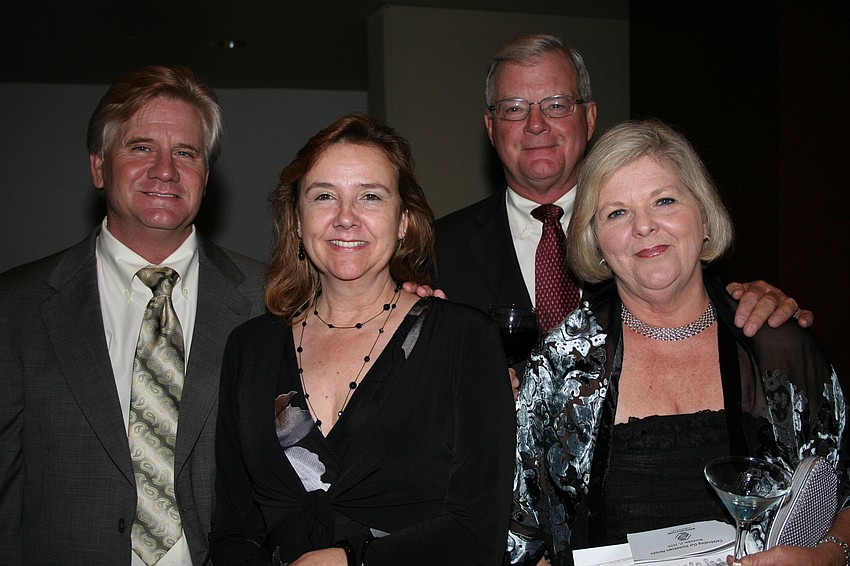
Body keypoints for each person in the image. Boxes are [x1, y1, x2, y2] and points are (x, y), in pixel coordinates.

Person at [507, 119, 847, 566]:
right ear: (596, 242)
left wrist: (829, 556)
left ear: (704, 217)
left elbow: (842, 487)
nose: (644, 227)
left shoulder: (775, 348)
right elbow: (522, 534)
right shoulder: (561, 366)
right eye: (617, 213)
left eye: (664, 200)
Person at [208, 113, 515, 565]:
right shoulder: (249, 348)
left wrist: (353, 560)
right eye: (324, 196)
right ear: (296, 220)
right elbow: (233, 529)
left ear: (404, 221)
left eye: (369, 196)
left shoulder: (465, 340)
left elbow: (479, 530)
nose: (345, 218)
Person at [0, 66, 267, 565]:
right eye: (141, 147)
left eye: (185, 153)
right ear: (99, 167)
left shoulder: (272, 300)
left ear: (205, 177)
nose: (165, 170)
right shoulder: (16, 308)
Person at [434, 33, 811, 337]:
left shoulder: (649, 232)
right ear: (490, 126)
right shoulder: (438, 249)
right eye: (514, 108)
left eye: (557, 104)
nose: (536, 124)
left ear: (590, 117)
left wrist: (756, 301)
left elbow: (709, 312)